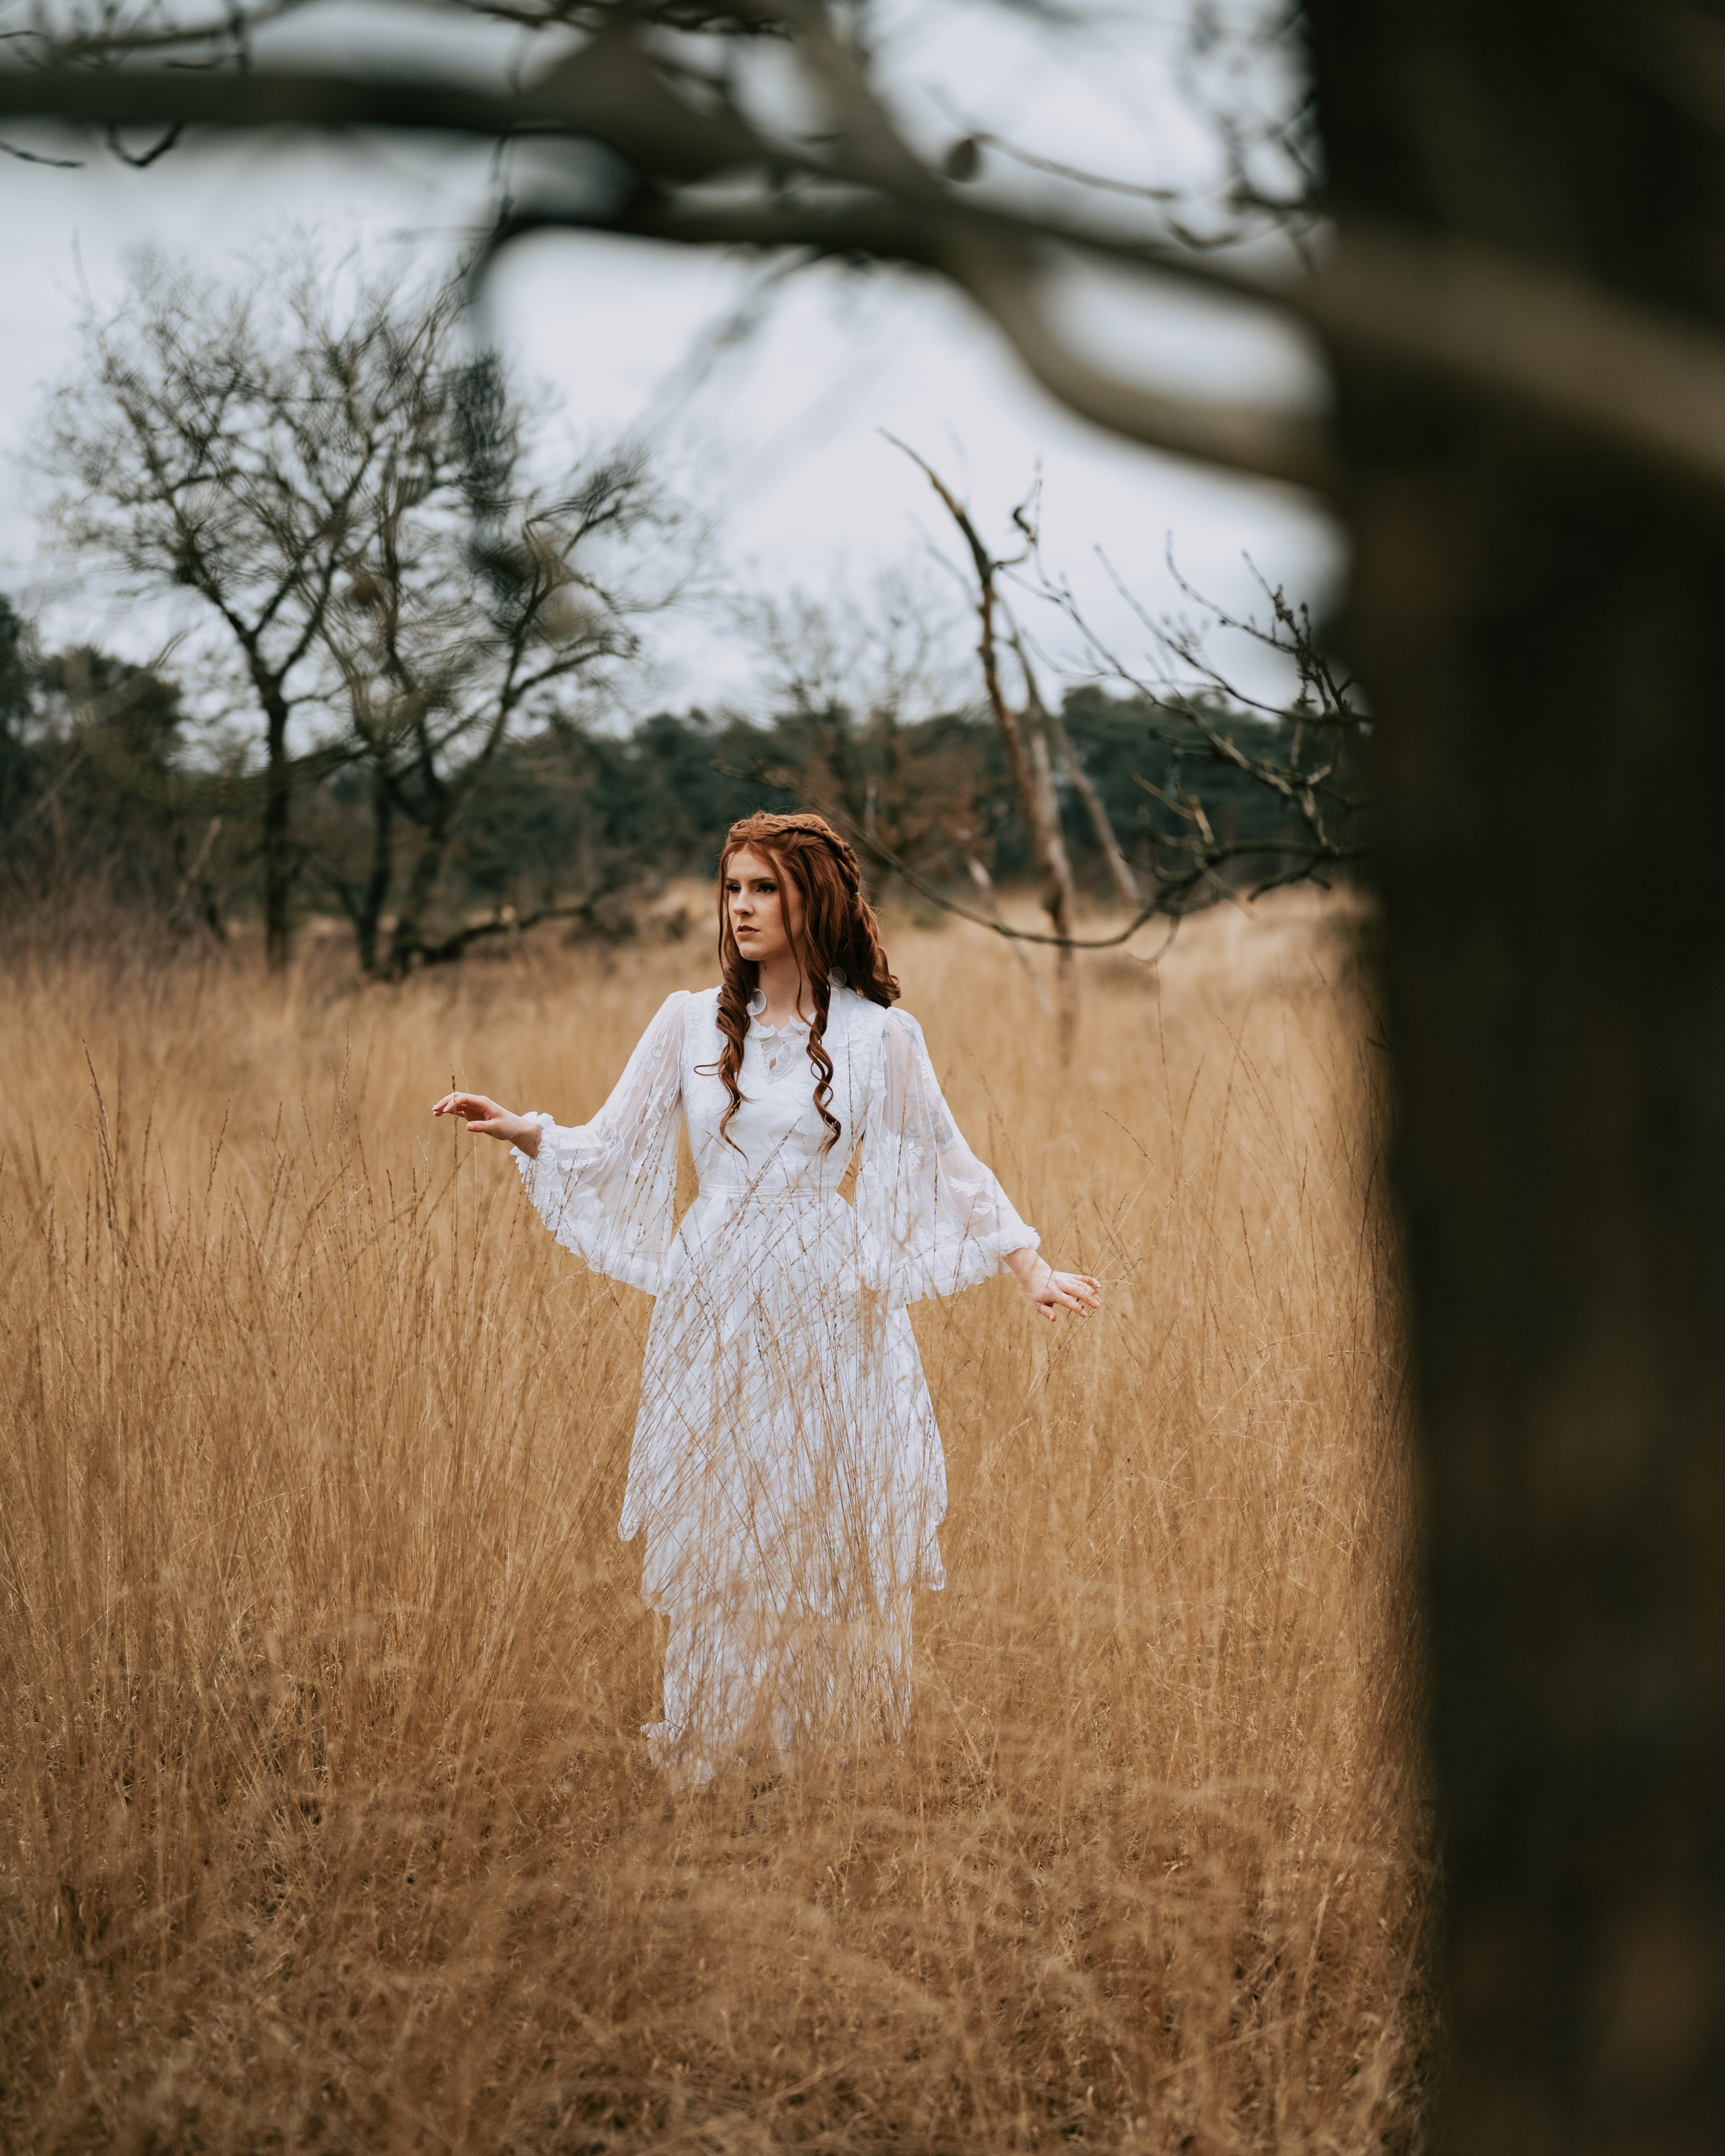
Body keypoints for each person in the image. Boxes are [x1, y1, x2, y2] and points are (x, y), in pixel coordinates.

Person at [433, 812, 1100, 1785]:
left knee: (822, 1509)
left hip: (829, 1297)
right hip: (712, 1296)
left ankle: (825, 1753)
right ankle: (718, 1743)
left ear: (811, 901)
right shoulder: (687, 1021)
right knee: (721, 1512)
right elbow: (612, 1142)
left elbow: (949, 1160)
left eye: (764, 889)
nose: (741, 908)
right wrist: (525, 1129)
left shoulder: (879, 1035)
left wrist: (1030, 1266)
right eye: (733, 888)